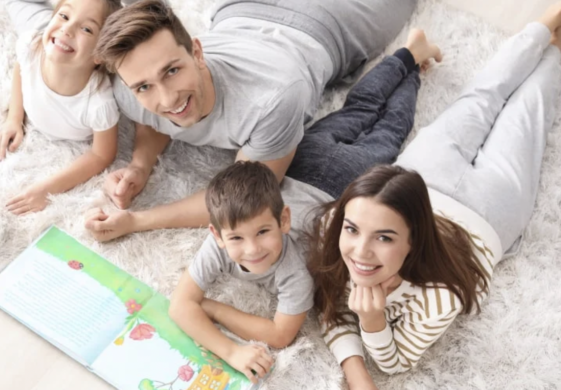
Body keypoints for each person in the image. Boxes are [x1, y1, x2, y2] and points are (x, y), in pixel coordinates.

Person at [309, 6, 561, 389]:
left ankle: (547, 20)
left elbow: (339, 317)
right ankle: (555, 45)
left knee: (486, 96)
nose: (359, 251)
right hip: (489, 206)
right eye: (353, 229)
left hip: (430, 188)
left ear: (414, 241)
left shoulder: (434, 283)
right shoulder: (439, 295)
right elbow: (374, 344)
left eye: (384, 238)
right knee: (524, 110)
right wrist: (371, 330)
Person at [168, 31, 442, 383]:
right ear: (217, 234)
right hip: (306, 159)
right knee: (362, 111)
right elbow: (179, 306)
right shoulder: (221, 239)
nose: (252, 249)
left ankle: (411, 63)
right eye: (236, 238)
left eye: (263, 231)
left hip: (340, 180)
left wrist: (210, 309)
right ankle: (409, 56)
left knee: (388, 127)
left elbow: (282, 334)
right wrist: (229, 349)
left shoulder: (293, 270)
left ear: (284, 221)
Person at [84, 0, 419, 241]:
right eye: (145, 87)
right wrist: (140, 165)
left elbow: (239, 200)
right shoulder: (129, 89)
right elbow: (153, 121)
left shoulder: (273, 101)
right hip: (239, 10)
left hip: (331, 17)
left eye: (172, 71)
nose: (167, 99)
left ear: (196, 52)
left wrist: (136, 221)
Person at [0, 0, 122, 215]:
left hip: (61, 43)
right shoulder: (31, 46)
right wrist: (14, 117)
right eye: (64, 16)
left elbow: (102, 155)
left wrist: (47, 190)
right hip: (44, 32)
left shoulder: (99, 104)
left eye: (86, 28)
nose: (67, 29)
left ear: (100, 54)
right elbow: (20, 67)